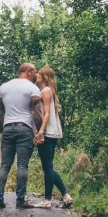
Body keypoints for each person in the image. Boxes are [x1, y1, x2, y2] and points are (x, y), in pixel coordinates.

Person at [0, 63, 43, 209]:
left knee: (4, 166)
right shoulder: (32, 88)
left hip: (8, 128)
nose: (36, 75)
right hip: (24, 129)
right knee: (22, 165)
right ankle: (20, 201)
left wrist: (2, 130)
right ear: (27, 72)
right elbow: (37, 113)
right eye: (34, 72)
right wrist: (40, 132)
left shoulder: (3, 87)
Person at [35, 66, 73, 208]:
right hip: (53, 132)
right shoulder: (50, 91)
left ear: (44, 77)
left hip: (47, 132)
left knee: (48, 167)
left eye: (39, 73)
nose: (37, 75)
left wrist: (40, 131)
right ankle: (65, 195)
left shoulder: (45, 91)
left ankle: (47, 200)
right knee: (48, 167)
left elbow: (46, 114)